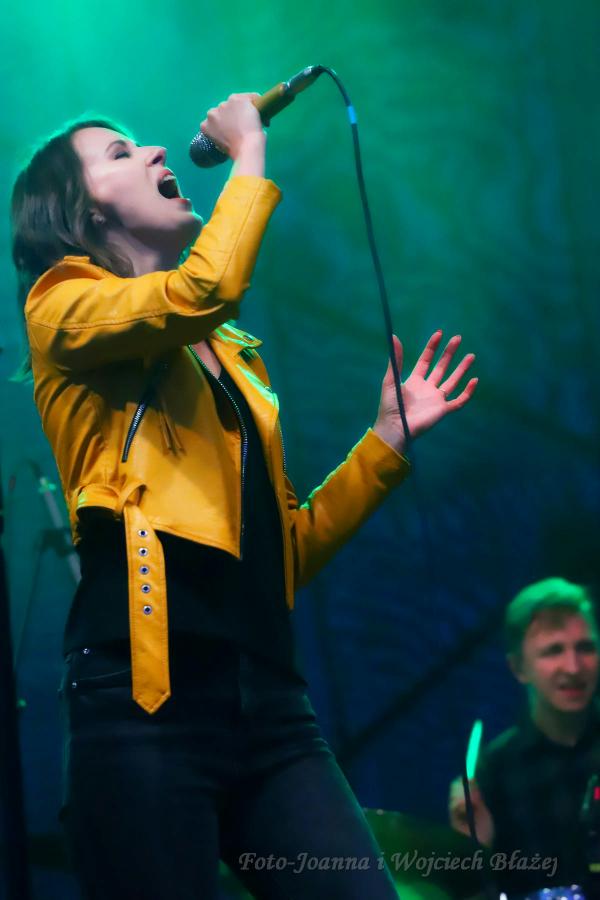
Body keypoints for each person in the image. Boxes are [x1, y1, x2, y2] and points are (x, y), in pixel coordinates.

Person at [12, 94, 477, 900]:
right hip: (143, 700)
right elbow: (207, 286)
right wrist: (250, 154)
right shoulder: (60, 306)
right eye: (120, 152)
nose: (155, 152)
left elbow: (284, 553)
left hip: (270, 706)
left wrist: (385, 443)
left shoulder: (229, 353)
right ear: (81, 210)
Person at [449, 577, 600, 897]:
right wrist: (474, 848)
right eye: (553, 651)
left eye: (585, 647)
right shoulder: (495, 772)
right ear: (518, 667)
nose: (573, 667)